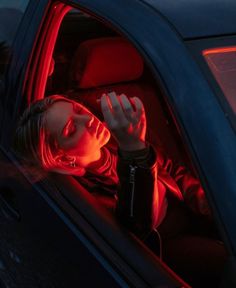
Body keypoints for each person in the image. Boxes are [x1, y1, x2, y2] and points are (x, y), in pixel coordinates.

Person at [13, 92, 226, 287]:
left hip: (187, 210)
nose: (88, 120)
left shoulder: (116, 136)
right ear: (65, 159)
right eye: (71, 129)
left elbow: (170, 170)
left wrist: (213, 206)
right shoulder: (87, 197)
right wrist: (134, 149)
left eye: (78, 109)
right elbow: (137, 228)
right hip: (167, 245)